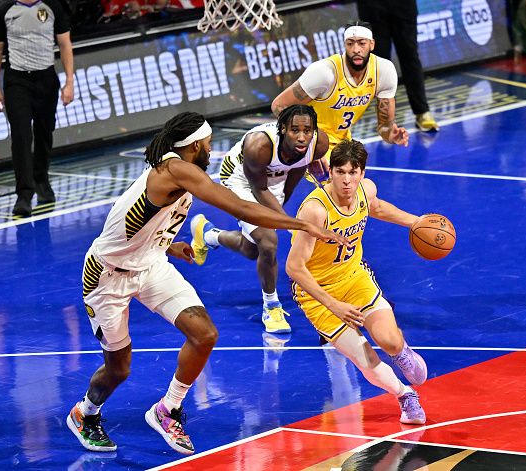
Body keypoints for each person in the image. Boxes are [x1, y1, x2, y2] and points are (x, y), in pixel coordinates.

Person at [66, 112, 349, 454]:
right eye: (210, 143)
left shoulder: (174, 171)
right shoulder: (177, 169)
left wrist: (167, 244)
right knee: (119, 368)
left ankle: (167, 409)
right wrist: (300, 225)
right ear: (196, 144)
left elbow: (132, 217)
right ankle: (85, 412)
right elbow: (241, 207)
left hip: (152, 263)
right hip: (108, 275)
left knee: (205, 335)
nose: (213, 149)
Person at [286, 139, 428, 425]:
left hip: (354, 276)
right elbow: (294, 267)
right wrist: (333, 304)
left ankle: (401, 350)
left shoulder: (366, 190)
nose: (347, 180)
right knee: (365, 361)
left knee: (389, 341)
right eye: (341, 172)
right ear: (331, 173)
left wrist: (415, 222)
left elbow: (375, 207)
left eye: (353, 172)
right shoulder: (316, 210)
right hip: (318, 293)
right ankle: (404, 395)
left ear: (362, 173)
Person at [189, 105, 329, 334]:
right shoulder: (260, 145)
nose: (302, 137)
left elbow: (294, 171)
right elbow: (259, 188)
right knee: (268, 241)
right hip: (240, 179)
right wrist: (291, 224)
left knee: (253, 249)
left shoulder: (318, 144)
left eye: (307, 130)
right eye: (295, 130)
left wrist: (281, 215)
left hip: (275, 180)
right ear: (283, 128)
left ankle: (208, 235)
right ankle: (271, 305)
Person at [271, 21, 409, 183]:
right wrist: (308, 148)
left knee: (366, 194)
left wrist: (391, 134)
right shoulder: (325, 72)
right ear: (344, 45)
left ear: (372, 45)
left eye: (362, 43)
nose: (356, 49)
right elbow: (279, 105)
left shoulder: (383, 71)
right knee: (343, 191)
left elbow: (385, 126)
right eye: (350, 44)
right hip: (313, 142)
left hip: (342, 143)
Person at [0, 0, 74, 217]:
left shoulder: (53, 6)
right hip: (17, 80)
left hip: (46, 78)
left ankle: (41, 181)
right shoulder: (4, 10)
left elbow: (65, 44)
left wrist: (69, 82)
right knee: (21, 136)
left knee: (44, 134)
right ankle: (24, 194)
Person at [356, 1, 440, 132]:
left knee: (410, 57)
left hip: (403, 7)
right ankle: (386, 120)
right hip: (373, 7)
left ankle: (422, 112)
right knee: (380, 64)